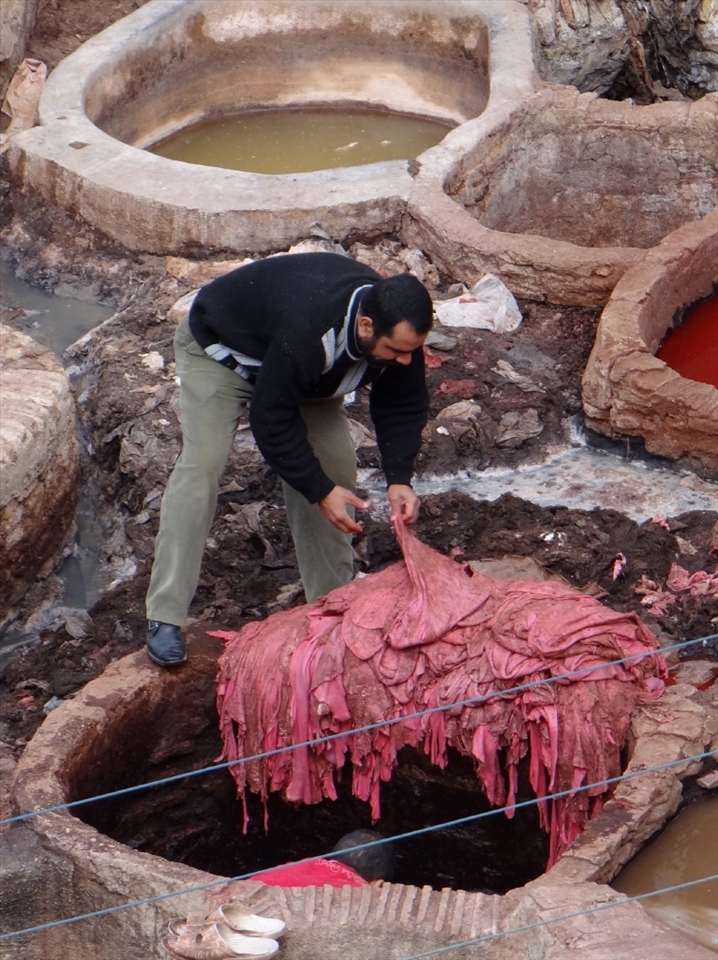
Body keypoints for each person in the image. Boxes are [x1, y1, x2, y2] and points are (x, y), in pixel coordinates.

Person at [145, 251, 433, 666]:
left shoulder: (400, 334)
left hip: (304, 374)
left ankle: (333, 607)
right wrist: (317, 490)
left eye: (411, 351)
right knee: (202, 466)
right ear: (366, 326)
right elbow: (270, 420)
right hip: (222, 354)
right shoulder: (310, 327)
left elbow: (403, 404)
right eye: (397, 351)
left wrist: (399, 477)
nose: (407, 360)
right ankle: (164, 615)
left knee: (336, 472)